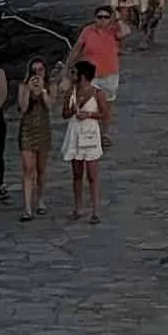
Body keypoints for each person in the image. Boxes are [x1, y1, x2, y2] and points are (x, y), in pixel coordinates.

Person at [62, 61, 107, 221]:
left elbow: (104, 114)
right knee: (77, 173)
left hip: (90, 133)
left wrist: (88, 115)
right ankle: (78, 208)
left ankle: (95, 211)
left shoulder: (97, 93)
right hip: (75, 132)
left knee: (92, 174)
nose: (72, 76)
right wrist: (72, 110)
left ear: (82, 75)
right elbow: (64, 113)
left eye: (74, 73)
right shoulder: (71, 92)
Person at [16, 57, 54, 219]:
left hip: (43, 130)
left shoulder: (51, 86)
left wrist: (43, 91)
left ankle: (40, 200)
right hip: (27, 129)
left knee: (41, 169)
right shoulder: (23, 86)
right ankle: (27, 207)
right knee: (27, 168)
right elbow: (23, 108)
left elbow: (50, 106)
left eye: (40, 70)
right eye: (34, 70)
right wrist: (28, 91)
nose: (37, 73)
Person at [74, 3, 123, 114]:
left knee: (106, 109)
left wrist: (117, 19)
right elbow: (76, 50)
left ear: (110, 19)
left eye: (106, 17)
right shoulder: (87, 31)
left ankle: (104, 131)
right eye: (99, 17)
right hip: (90, 76)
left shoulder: (114, 31)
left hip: (109, 75)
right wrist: (67, 68)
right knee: (86, 105)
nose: (102, 20)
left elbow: (126, 31)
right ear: (94, 18)